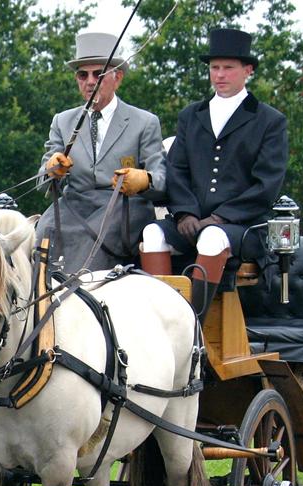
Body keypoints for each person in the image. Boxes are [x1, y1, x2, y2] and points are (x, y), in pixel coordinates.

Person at [140, 27, 288, 317]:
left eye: (228, 68)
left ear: (248, 70)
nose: (219, 75)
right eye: (214, 67)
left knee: (211, 237)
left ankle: (192, 326)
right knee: (151, 232)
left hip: (242, 227)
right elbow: (177, 169)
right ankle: (159, 319)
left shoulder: (269, 121)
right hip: (193, 221)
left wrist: (219, 218)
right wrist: (184, 213)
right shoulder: (191, 115)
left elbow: (266, 185)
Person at [35, 31, 167, 274]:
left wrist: (143, 180)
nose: (90, 81)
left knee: (91, 238)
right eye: (82, 75)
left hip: (122, 208)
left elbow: (162, 179)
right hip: (74, 205)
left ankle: (78, 297)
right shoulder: (63, 121)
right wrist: (52, 169)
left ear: (118, 78)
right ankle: (38, 303)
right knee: (43, 230)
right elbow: (42, 183)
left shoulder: (144, 122)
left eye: (99, 74)